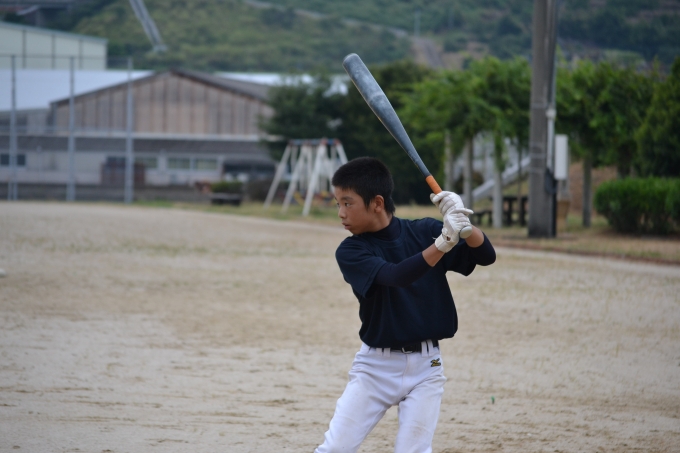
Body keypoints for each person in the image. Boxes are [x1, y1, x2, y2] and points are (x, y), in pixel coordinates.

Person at [315, 157, 496, 453]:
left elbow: (486, 256)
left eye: (347, 203)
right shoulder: (351, 250)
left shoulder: (423, 231)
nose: (341, 213)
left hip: (427, 367)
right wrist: (443, 243)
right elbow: (396, 276)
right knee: (335, 449)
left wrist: (464, 225)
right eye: (338, 204)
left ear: (377, 203)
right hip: (375, 369)